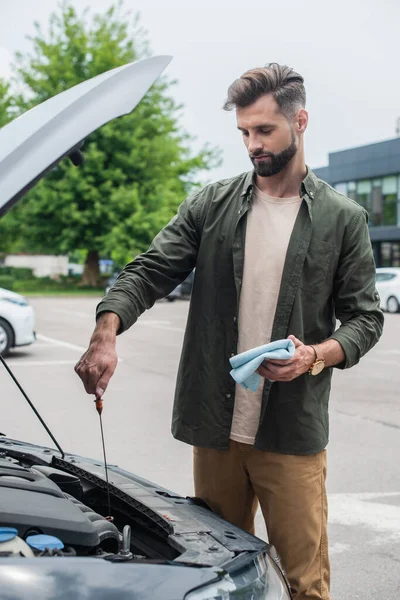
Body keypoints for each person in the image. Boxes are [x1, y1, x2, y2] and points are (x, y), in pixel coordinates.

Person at [75, 63, 383, 599]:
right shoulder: (211, 203)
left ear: (300, 121)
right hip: (217, 432)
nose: (252, 144)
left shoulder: (343, 218)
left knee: (305, 584)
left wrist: (315, 355)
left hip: (291, 437)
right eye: (244, 132)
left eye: (264, 130)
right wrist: (107, 329)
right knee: (221, 583)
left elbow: (365, 318)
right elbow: (150, 269)